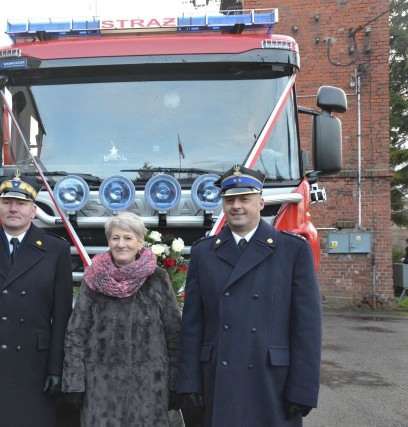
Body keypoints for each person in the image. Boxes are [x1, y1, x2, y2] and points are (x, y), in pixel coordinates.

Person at [177, 165, 322, 426]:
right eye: (230, 200)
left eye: (245, 199)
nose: (237, 206)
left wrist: (303, 389)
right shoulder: (203, 253)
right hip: (217, 380)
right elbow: (192, 325)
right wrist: (189, 382)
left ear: (261, 203)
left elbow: (307, 327)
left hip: (272, 381)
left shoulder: (292, 251)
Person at [0, 172, 73, 427]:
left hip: (37, 362)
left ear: (33, 210)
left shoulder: (56, 250)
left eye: (21, 204)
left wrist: (57, 368)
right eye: (7, 202)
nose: (13, 209)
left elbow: (62, 316)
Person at [62, 212, 183, 426]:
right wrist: (74, 383)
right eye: (115, 238)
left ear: (140, 242)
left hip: (150, 388)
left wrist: (175, 383)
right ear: (108, 241)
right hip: (100, 388)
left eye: (128, 238)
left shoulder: (158, 277)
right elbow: (76, 334)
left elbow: (174, 334)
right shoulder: (94, 278)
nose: (121, 244)